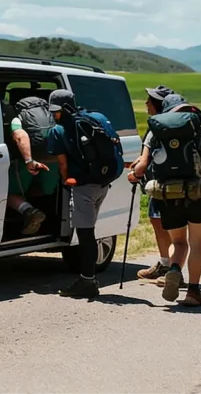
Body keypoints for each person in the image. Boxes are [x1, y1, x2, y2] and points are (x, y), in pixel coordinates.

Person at [130, 93, 201, 306]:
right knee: (197, 244)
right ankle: (193, 292)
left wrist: (134, 175)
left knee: (178, 242)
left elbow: (141, 166)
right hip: (198, 194)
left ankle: (174, 269)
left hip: (167, 195)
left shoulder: (154, 133)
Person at [45, 89, 123, 299]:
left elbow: (63, 165)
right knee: (89, 231)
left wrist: (66, 181)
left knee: (85, 235)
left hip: (83, 187)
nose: (54, 115)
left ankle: (88, 281)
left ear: (64, 109)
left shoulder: (58, 131)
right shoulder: (98, 118)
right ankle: (89, 278)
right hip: (103, 183)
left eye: (56, 111)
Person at [130, 84, 176, 282]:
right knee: (170, 227)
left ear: (158, 104)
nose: (146, 103)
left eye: (150, 100)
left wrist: (136, 172)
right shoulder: (180, 126)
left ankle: (171, 268)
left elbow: (146, 161)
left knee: (164, 227)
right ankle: (168, 265)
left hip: (159, 184)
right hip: (181, 183)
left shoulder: (155, 128)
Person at [2, 99, 54, 235]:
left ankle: (30, 211)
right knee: (42, 191)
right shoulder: (51, 117)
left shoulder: (17, 118)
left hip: (26, 165)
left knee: (6, 194)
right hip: (52, 163)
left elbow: (20, 136)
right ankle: (48, 227)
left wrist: (29, 160)